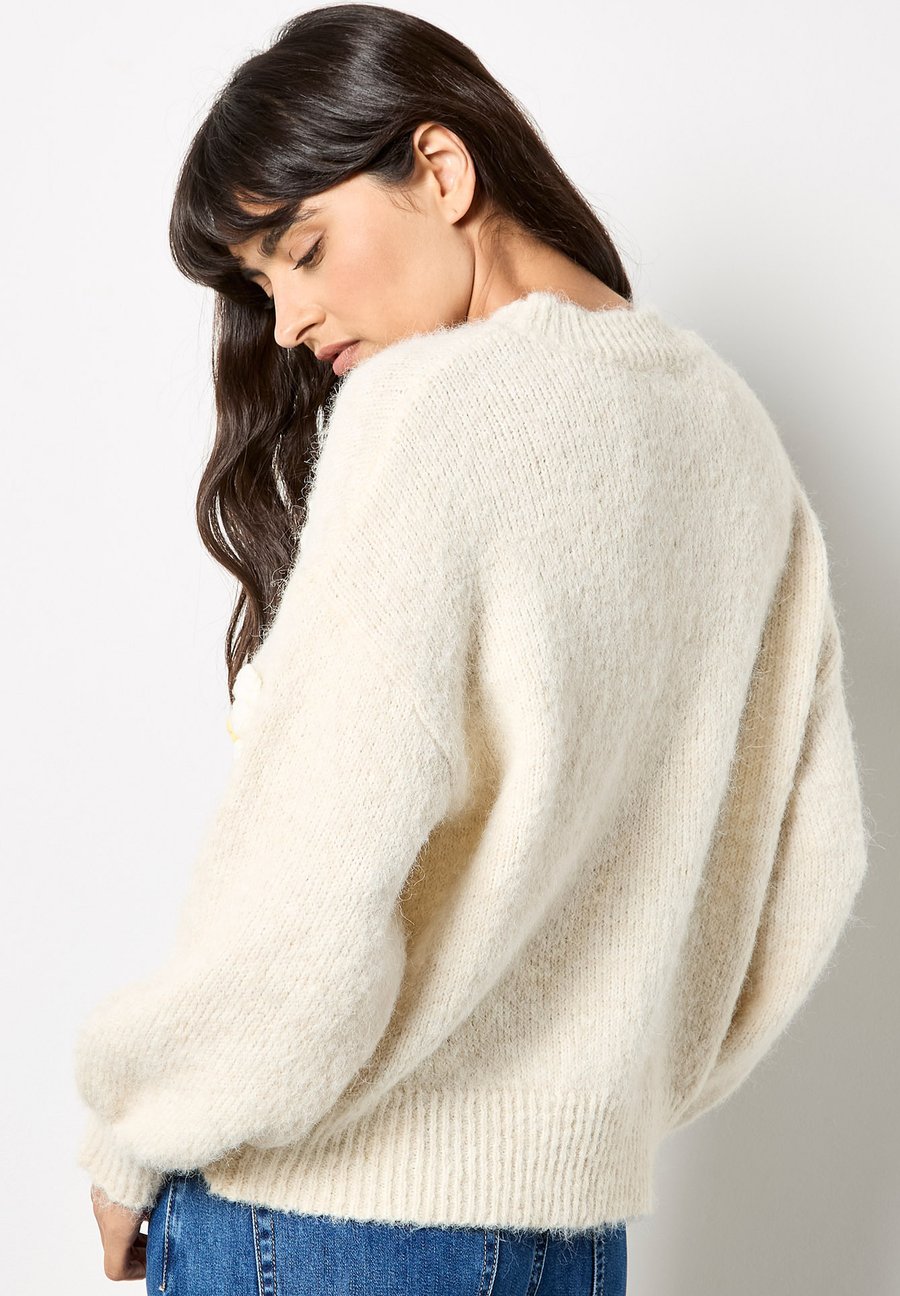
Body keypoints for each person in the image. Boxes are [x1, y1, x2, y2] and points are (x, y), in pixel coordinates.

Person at [73, 6, 871, 1293]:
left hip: (322, 1218)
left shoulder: (431, 415)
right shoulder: (733, 438)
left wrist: (135, 1130)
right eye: (263, 287)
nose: (288, 322)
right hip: (571, 1235)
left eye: (305, 251)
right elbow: (809, 864)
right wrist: (590, 1102)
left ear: (442, 170)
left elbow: (311, 864)